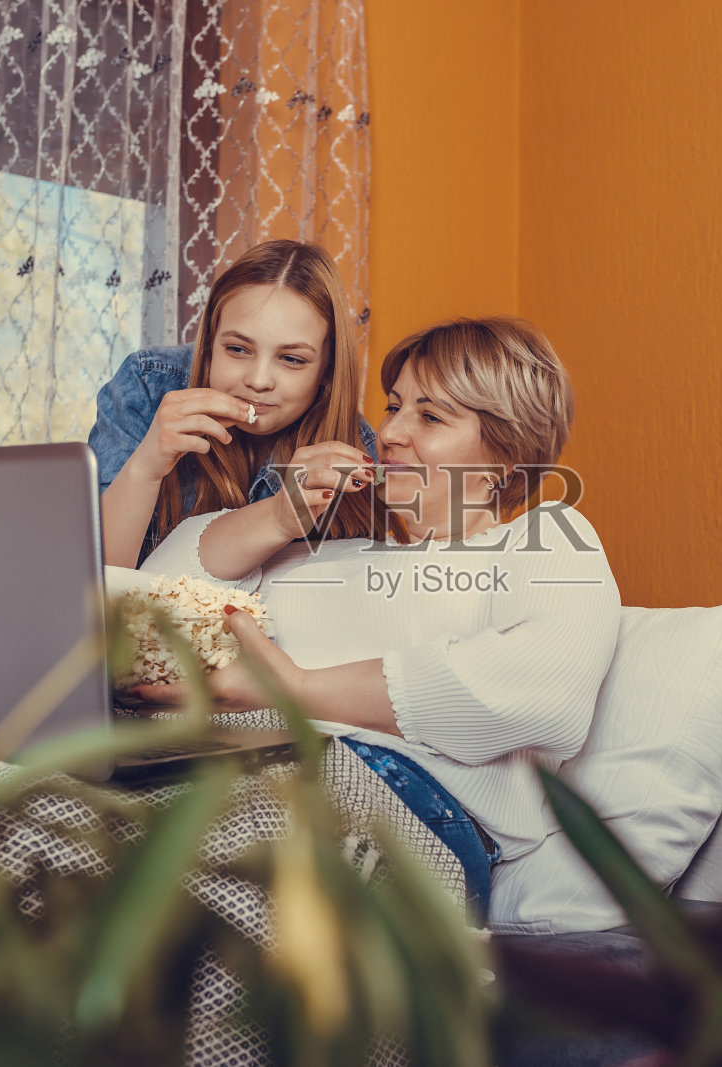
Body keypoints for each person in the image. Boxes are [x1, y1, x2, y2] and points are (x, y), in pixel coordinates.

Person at [135, 317, 621, 920]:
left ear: (504, 456)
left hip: (402, 813)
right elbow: (152, 601)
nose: (389, 432)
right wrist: (280, 516)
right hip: (219, 774)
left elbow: (546, 690)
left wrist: (296, 688)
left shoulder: (542, 539)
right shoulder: (328, 551)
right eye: (393, 407)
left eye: (430, 417)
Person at [87, 240, 380, 567]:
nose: (258, 380)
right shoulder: (147, 386)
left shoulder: (354, 449)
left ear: (327, 368)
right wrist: (146, 466)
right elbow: (95, 582)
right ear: (209, 343)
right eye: (238, 349)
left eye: (291, 359)